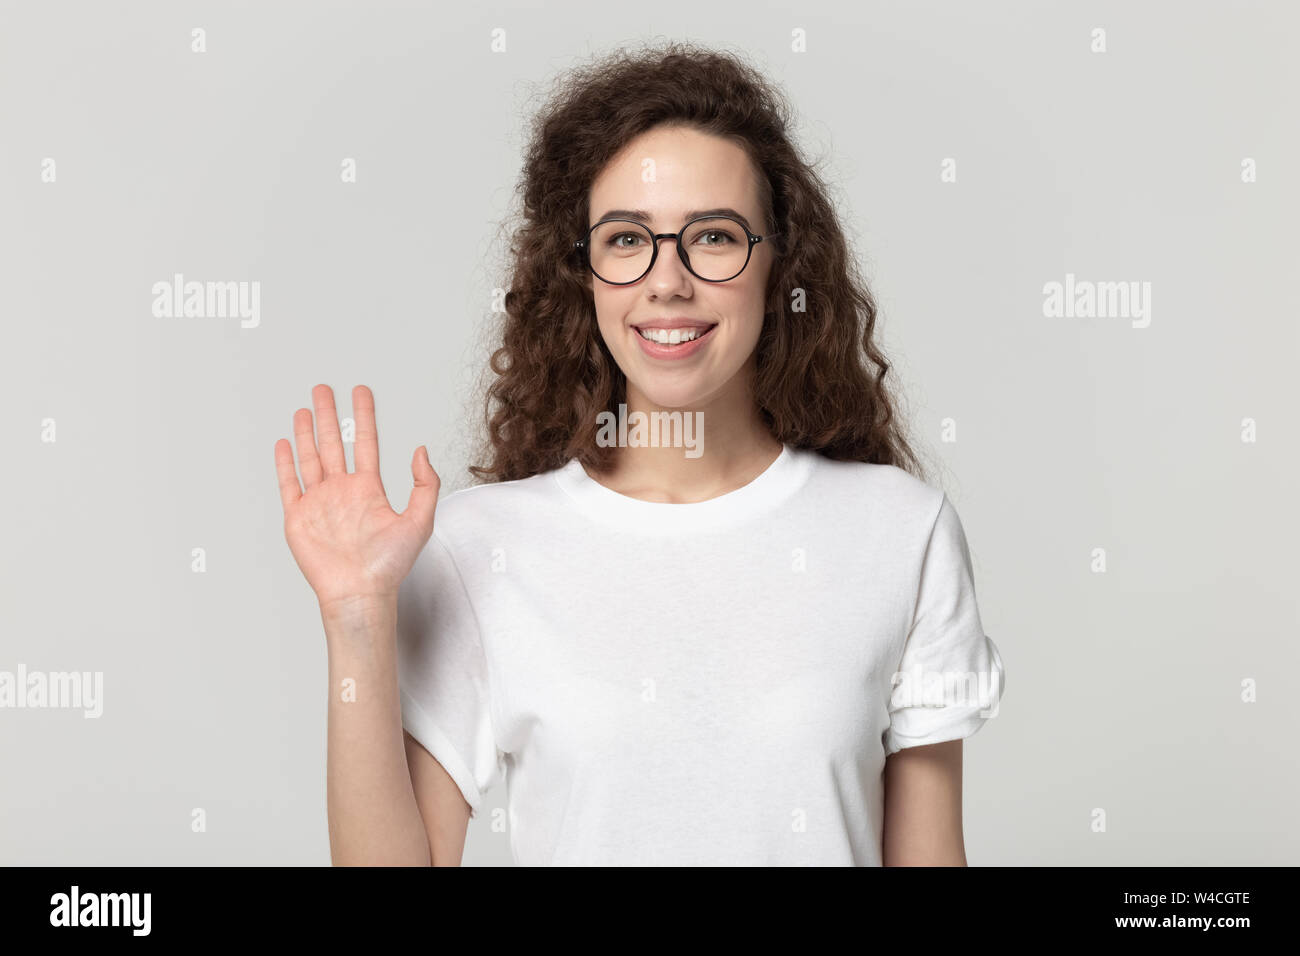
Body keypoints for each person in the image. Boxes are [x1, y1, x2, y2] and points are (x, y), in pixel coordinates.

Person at [273, 41, 1006, 866]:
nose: (668, 282)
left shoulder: (900, 532)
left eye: (715, 236)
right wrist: (356, 616)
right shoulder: (482, 549)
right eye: (627, 240)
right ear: (581, 273)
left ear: (780, 265)